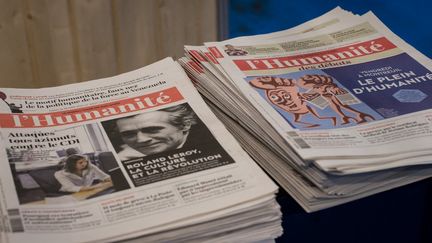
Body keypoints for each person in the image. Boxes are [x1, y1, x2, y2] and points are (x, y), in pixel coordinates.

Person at [115, 104, 197, 160]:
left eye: (152, 130)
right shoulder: (123, 156)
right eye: (129, 134)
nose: (141, 140)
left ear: (185, 125)